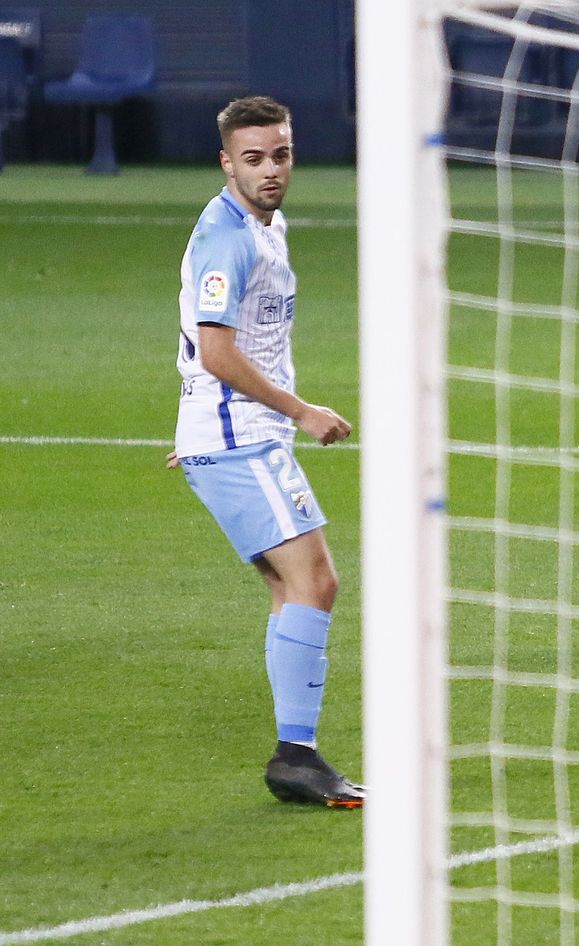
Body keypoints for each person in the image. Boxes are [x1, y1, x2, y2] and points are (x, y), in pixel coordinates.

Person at [168, 95, 362, 808]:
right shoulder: (231, 238)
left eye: (280, 154)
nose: (271, 170)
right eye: (253, 158)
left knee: (295, 590)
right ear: (227, 162)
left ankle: (296, 757)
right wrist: (301, 410)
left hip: (228, 438)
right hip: (242, 437)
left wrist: (193, 429)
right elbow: (217, 350)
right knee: (314, 581)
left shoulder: (261, 224)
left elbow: (199, 343)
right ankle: (296, 755)